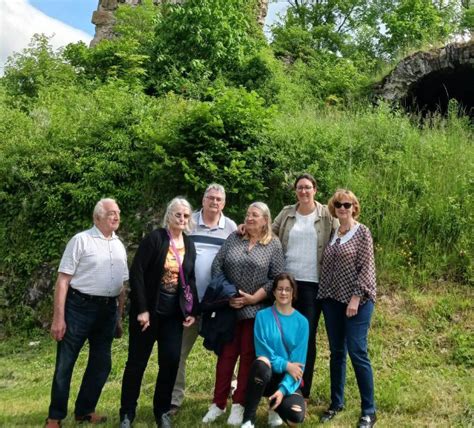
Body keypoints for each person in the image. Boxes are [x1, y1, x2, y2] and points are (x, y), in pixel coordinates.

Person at [45, 198, 128, 428]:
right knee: (65, 363)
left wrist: (118, 319)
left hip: (107, 311)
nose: (116, 216)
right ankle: (55, 417)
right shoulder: (81, 240)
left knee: (102, 364)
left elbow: (122, 286)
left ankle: (85, 410)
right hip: (78, 308)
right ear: (97, 217)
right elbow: (63, 281)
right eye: (111, 212)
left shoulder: (119, 245)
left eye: (118, 213)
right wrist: (58, 318)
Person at [202, 202, 284, 426]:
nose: (249, 218)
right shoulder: (234, 238)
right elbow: (217, 266)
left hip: (255, 310)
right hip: (230, 308)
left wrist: (254, 298)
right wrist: (229, 295)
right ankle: (217, 404)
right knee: (226, 357)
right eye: (247, 214)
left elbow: (276, 278)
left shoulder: (273, 245)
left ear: (265, 220)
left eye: (254, 215)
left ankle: (238, 405)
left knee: (248, 357)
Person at [119, 197, 198, 428]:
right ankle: (127, 413)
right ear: (169, 215)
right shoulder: (155, 239)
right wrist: (142, 309)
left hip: (173, 315)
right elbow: (138, 273)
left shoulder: (189, 244)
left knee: (171, 362)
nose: (182, 219)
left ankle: (162, 412)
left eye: (186, 215)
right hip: (149, 314)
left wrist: (192, 309)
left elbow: (189, 278)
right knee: (136, 363)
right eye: (178, 214)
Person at [170, 184, 237, 413]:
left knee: (226, 351)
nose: (214, 202)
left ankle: (232, 391)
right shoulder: (188, 222)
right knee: (179, 352)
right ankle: (174, 400)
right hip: (189, 302)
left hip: (217, 303)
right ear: (203, 199)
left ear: (224, 203)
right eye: (211, 198)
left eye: (219, 199)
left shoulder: (231, 227)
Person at [272, 173, 337, 402]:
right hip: (286, 283)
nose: (303, 191)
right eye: (300, 188)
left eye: (308, 187)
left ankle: (301, 390)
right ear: (295, 191)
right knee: (282, 335)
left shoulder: (326, 215)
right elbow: (269, 233)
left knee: (305, 337)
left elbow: (342, 233)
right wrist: (245, 227)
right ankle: (280, 384)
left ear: (315, 190)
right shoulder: (288, 212)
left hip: (312, 284)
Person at [317, 189, 377, 428]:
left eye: (347, 204)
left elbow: (367, 268)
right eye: (338, 205)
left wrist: (355, 298)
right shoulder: (334, 233)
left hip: (358, 302)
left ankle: (369, 410)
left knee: (357, 351)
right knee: (336, 353)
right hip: (332, 300)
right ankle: (336, 402)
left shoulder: (362, 232)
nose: (342, 208)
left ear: (354, 207)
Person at [241, 272, 309, 428]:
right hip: (266, 375)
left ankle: (274, 408)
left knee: (295, 417)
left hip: (287, 379)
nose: (283, 293)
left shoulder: (302, 323)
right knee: (261, 363)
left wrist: (282, 391)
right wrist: (286, 365)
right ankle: (248, 419)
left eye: (287, 289)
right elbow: (263, 352)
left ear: (293, 293)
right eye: (279, 289)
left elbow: (298, 366)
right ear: (273, 292)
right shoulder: (262, 316)